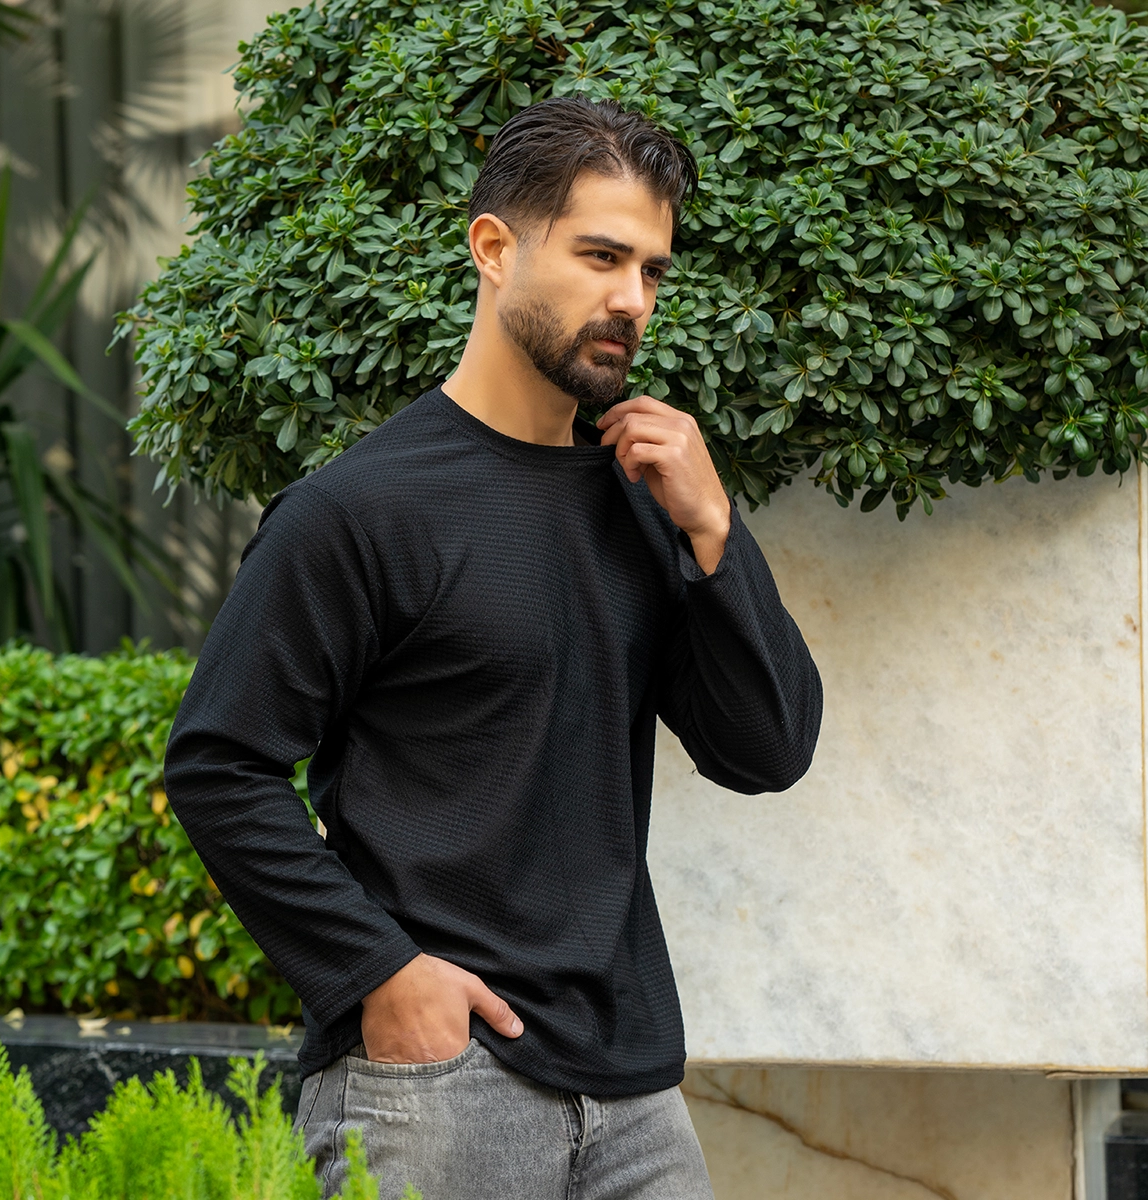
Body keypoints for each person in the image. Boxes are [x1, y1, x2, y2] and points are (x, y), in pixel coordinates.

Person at [164, 96, 823, 1200]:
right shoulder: (358, 510)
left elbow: (768, 749)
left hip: (634, 1092)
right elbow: (218, 764)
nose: (633, 299)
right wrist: (380, 974)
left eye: (652, 271)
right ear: (494, 248)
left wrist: (716, 531)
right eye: (602, 256)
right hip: (438, 1086)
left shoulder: (646, 501)